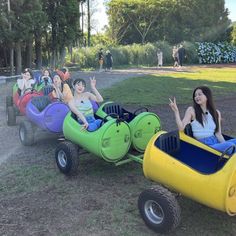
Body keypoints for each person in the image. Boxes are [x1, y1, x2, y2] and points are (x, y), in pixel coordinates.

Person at [169, 86, 236, 154]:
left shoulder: (216, 113)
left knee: (232, 145)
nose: (196, 97)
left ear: (207, 96)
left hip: (216, 142)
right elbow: (181, 128)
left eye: (199, 94)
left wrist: (225, 146)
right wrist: (176, 112)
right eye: (195, 95)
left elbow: (218, 134)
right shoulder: (191, 110)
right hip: (204, 146)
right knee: (230, 145)